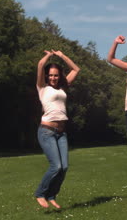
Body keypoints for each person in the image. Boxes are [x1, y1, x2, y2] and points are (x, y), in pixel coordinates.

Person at [34, 50, 80, 209]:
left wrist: (61, 56)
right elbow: (40, 65)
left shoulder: (63, 87)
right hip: (46, 131)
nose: (53, 78)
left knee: (64, 167)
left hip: (61, 133)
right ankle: (40, 193)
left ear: (59, 76)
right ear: (47, 76)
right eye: (51, 75)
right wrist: (48, 56)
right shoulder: (42, 88)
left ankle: (52, 195)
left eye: (56, 75)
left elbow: (76, 70)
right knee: (56, 166)